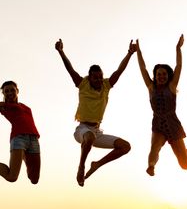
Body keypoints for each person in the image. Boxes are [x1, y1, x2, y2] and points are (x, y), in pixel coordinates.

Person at [54, 38, 135, 186]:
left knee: (125, 146)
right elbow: (70, 69)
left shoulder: (106, 85)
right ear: (89, 78)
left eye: (100, 76)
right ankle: (81, 166)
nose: (98, 80)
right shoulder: (82, 84)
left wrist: (129, 53)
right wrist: (61, 52)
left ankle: (97, 164)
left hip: (97, 132)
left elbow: (120, 70)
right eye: (95, 77)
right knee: (89, 136)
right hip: (82, 130)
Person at [135, 34, 187, 176]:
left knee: (185, 165)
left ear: (168, 76)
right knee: (154, 148)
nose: (161, 76)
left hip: (173, 124)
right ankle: (151, 166)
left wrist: (178, 48)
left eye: (164, 74)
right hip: (158, 123)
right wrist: (138, 51)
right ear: (155, 76)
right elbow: (142, 67)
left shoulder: (172, 86)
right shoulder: (151, 87)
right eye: (159, 74)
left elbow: (179, 66)